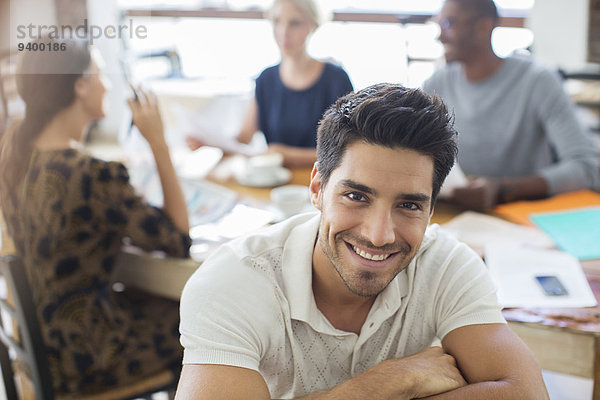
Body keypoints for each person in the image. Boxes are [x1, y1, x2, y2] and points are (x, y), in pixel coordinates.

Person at [176, 83, 548, 399]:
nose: (378, 234)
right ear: (317, 188)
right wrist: (389, 383)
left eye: (408, 205)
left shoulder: (445, 265)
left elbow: (526, 393)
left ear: (432, 210)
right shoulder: (232, 283)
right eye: (356, 197)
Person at [0, 37, 191, 395]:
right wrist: (159, 143)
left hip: (38, 341)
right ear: (79, 86)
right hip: (84, 355)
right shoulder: (92, 174)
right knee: (198, 322)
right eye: (100, 75)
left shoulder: (14, 152)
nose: (106, 85)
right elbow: (179, 239)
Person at [422, 0, 599, 211]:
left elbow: (586, 168)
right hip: (455, 215)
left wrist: (501, 190)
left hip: (523, 219)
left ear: (483, 27)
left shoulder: (537, 81)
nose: (440, 36)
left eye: (449, 24)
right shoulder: (436, 84)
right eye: (439, 24)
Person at [186, 0, 353, 168]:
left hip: (321, 184)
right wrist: (209, 143)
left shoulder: (337, 80)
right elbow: (243, 139)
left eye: (295, 23)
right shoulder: (265, 79)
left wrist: (287, 155)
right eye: (277, 21)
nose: (283, 32)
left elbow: (348, 150)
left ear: (313, 25)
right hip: (274, 183)